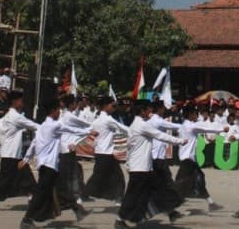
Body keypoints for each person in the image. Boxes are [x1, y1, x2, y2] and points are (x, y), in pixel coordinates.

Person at [19, 99, 96, 229]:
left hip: (45, 165)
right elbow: (71, 129)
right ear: (53, 111)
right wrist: (89, 132)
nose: (60, 112)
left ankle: (78, 210)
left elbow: (33, 144)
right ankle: (26, 220)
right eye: (58, 110)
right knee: (41, 193)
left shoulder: (42, 126)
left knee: (59, 189)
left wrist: (26, 159)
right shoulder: (55, 125)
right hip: (49, 166)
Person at [115, 100, 189, 228]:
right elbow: (160, 135)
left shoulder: (134, 125)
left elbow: (129, 148)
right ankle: (119, 219)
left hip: (142, 167)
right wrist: (180, 141)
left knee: (157, 189)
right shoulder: (142, 125)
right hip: (140, 169)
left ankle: (171, 212)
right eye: (148, 109)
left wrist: (128, 164)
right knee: (133, 195)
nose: (150, 112)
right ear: (142, 111)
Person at [0, 90, 40, 209]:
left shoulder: (5, 117)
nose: (22, 103)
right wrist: (50, 128)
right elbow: (34, 126)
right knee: (4, 179)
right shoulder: (16, 117)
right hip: (12, 155)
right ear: (15, 102)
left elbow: (1, 136)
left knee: (26, 176)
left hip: (11, 154)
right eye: (21, 100)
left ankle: (32, 198)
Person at [173, 105, 229, 212]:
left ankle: (211, 203)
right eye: (195, 114)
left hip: (188, 160)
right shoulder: (190, 126)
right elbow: (206, 128)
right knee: (180, 184)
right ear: (190, 114)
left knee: (199, 179)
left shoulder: (184, 126)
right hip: (187, 160)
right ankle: (170, 208)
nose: (197, 116)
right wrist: (222, 129)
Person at [82, 96, 130, 202]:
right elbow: (122, 128)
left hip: (101, 152)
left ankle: (118, 198)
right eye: (112, 106)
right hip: (106, 153)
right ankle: (83, 195)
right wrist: (136, 131)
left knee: (112, 177)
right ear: (106, 106)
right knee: (100, 177)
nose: (114, 108)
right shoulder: (108, 119)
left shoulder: (97, 120)